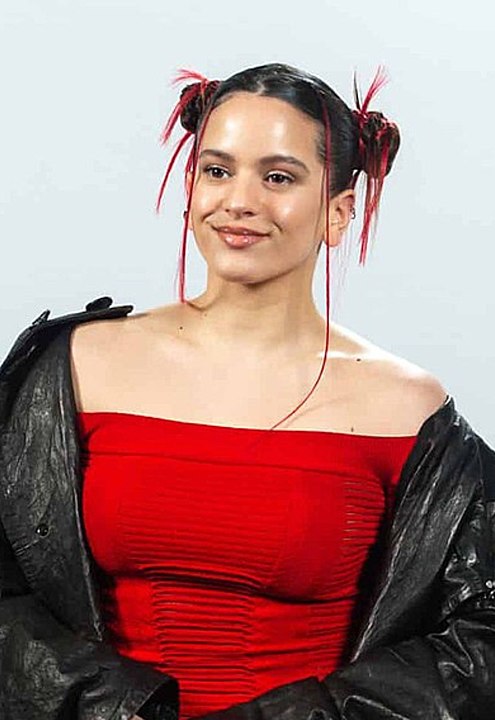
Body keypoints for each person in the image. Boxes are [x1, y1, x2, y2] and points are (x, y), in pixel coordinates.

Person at [0, 62, 493, 720]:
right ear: (190, 189)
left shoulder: (407, 408)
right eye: (217, 170)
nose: (239, 201)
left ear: (338, 212)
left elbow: (480, 636)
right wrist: (109, 706)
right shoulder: (71, 368)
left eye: (278, 177)